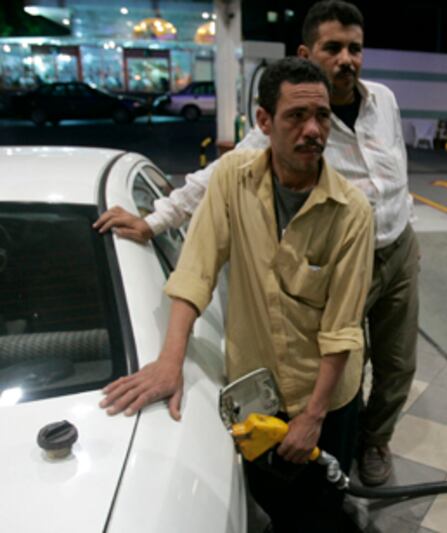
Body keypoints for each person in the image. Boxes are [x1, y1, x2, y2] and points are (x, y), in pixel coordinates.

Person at [94, 0, 419, 487]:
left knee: (397, 361)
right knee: (345, 349)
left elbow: (393, 169)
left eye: (356, 48)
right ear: (308, 53)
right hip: (347, 252)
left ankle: (374, 439)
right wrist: (154, 219)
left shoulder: (385, 102)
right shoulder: (288, 123)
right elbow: (212, 183)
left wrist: (404, 223)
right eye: (334, 48)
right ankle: (334, 448)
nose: (347, 59)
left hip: (399, 246)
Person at [99, 57, 374, 532]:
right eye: (296, 116)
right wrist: (170, 362)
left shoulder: (351, 213)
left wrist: (312, 417)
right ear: (263, 121)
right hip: (258, 390)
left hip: (325, 398)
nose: (313, 130)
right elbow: (197, 268)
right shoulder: (232, 179)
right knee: (272, 495)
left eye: (322, 116)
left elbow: (341, 329)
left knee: (322, 508)